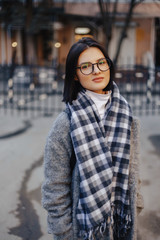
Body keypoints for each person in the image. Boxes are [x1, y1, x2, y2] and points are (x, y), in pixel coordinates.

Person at [41, 37, 144, 240]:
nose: (96, 70)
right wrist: (65, 233)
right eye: (86, 66)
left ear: (108, 65)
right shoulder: (65, 124)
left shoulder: (128, 118)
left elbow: (134, 171)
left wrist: (136, 205)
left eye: (101, 63)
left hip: (121, 227)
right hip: (83, 231)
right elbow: (54, 188)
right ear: (76, 75)